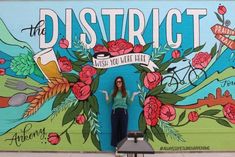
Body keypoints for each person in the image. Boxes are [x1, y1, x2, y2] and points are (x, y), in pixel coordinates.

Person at [101, 76, 140, 148]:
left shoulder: (126, 92)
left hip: (124, 112)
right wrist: (106, 93)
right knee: (115, 129)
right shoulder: (113, 91)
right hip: (115, 112)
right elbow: (108, 101)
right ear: (115, 83)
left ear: (122, 82)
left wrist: (133, 95)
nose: (118, 83)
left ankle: (122, 147)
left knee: (123, 130)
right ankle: (116, 148)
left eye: (120, 81)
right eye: (117, 82)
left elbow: (129, 103)